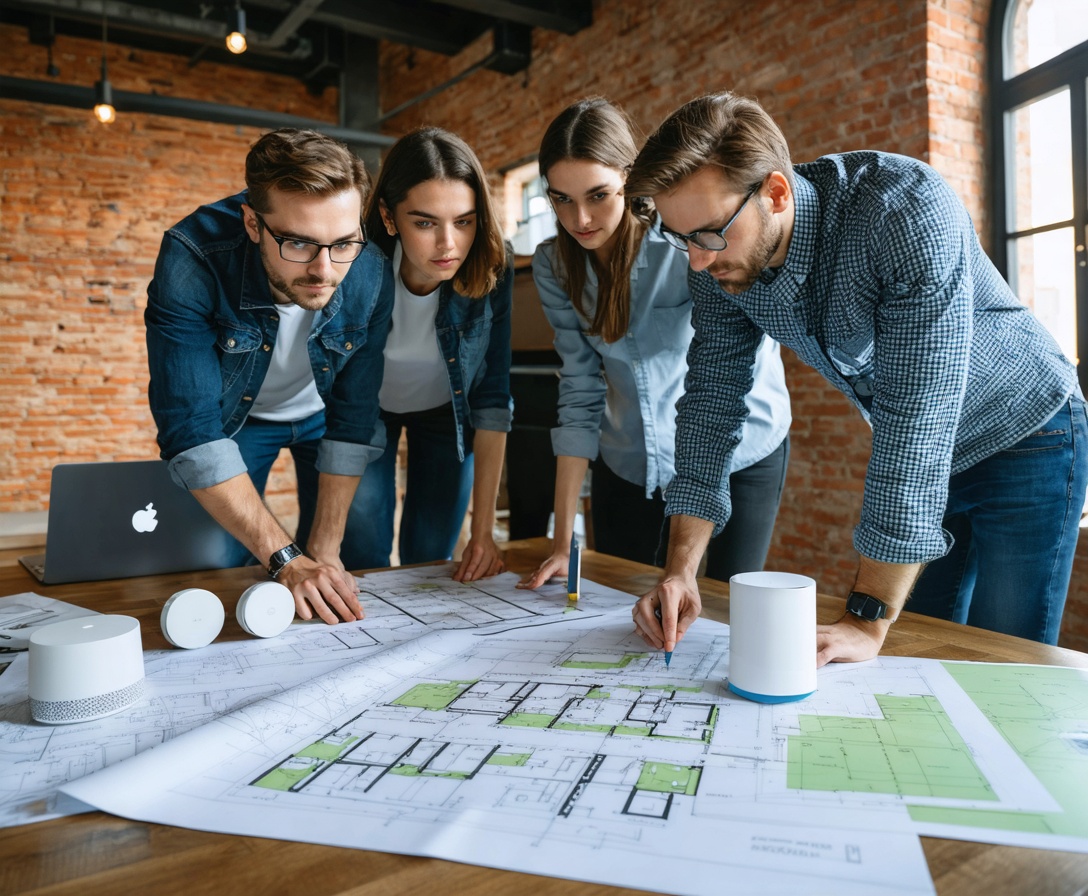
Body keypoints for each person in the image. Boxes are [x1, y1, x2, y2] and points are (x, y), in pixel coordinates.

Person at [623, 91, 1087, 664]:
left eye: (710, 234)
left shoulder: (902, 212)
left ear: (775, 192)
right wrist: (680, 572)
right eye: (682, 237)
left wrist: (865, 618)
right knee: (922, 655)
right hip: (932, 453)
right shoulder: (715, 261)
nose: (696, 260)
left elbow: (915, 423)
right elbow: (711, 405)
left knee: (1006, 662)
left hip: (1029, 432)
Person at [518, 98, 791, 593]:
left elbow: (725, 366)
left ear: (629, 177)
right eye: (561, 199)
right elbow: (579, 391)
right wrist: (562, 544)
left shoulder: (683, 242)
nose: (580, 218)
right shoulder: (553, 264)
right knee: (626, 609)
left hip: (738, 448)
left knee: (730, 609)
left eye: (598, 195)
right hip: (628, 462)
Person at [145, 127, 393, 626]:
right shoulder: (192, 256)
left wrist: (321, 550)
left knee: (360, 551)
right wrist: (286, 559)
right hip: (236, 424)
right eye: (299, 243)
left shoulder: (368, 265)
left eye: (343, 242)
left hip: (324, 414)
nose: (325, 270)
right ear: (253, 223)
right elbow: (190, 431)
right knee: (215, 561)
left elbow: (356, 411)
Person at [357, 127, 513, 582]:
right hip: (365, 413)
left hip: (448, 415)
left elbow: (493, 397)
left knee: (430, 559)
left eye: (463, 221)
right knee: (363, 552)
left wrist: (482, 532)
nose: (449, 245)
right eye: (425, 223)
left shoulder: (492, 267)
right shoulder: (356, 265)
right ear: (390, 217)